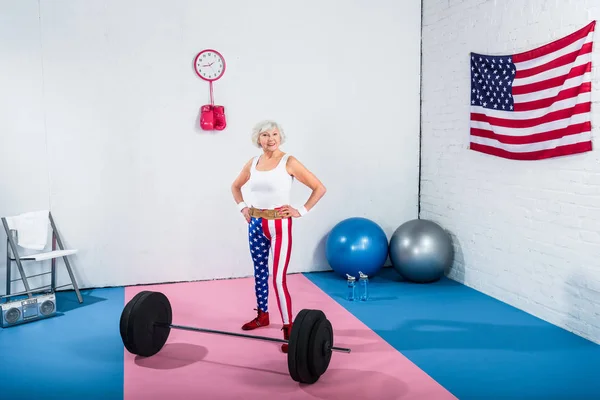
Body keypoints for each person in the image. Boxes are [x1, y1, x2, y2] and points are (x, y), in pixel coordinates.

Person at [230, 120, 326, 353]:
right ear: (258, 139)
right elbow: (235, 187)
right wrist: (243, 207)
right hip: (255, 224)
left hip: (279, 225)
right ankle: (262, 315)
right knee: (260, 272)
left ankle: (289, 327)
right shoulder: (252, 163)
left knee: (278, 278)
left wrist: (300, 210)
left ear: (280, 137)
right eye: (265, 135)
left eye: (274, 134)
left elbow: (319, 188)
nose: (270, 138)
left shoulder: (288, 162)